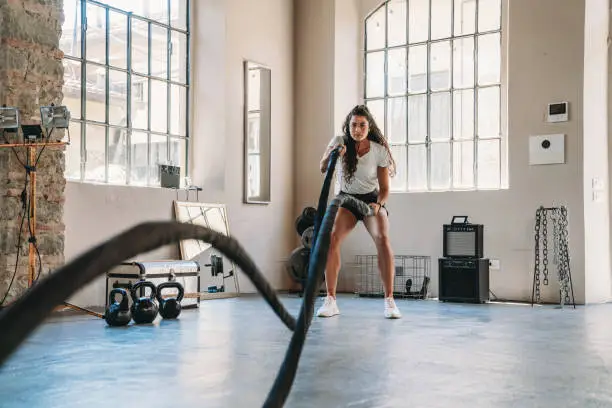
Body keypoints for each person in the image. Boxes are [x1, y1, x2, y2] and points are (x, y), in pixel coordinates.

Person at [316, 104, 402, 319]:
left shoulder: (379, 150)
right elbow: (323, 167)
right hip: (346, 199)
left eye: (362, 125)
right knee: (332, 238)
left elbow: (384, 189)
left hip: (370, 200)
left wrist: (378, 205)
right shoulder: (339, 141)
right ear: (348, 126)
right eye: (354, 125)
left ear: (368, 126)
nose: (357, 129)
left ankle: (390, 301)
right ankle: (330, 300)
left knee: (382, 238)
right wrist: (335, 154)